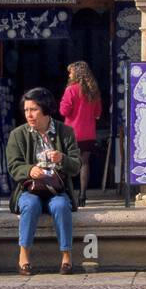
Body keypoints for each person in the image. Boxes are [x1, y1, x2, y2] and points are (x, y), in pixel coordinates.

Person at [6, 87, 81, 275]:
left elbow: (77, 165)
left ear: (46, 110)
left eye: (34, 109)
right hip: (30, 189)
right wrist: (30, 170)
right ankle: (23, 255)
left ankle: (66, 256)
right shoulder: (18, 134)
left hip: (56, 189)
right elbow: (13, 166)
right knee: (30, 205)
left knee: (61, 206)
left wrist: (62, 158)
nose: (29, 115)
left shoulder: (65, 132)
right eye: (26, 110)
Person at [59, 61, 103, 207]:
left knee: (66, 163)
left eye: (70, 72)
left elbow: (64, 111)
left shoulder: (71, 90)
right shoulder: (93, 91)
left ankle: (68, 194)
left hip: (71, 132)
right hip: (88, 133)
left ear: (76, 74)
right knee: (84, 163)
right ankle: (83, 195)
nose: (69, 75)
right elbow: (97, 113)